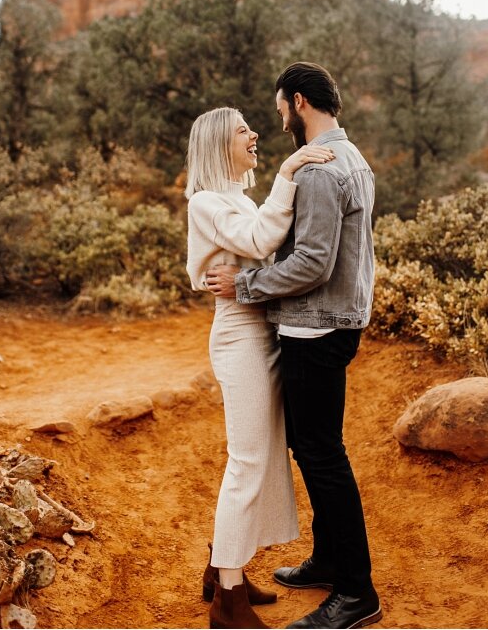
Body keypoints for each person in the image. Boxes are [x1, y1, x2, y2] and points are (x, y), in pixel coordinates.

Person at [205, 62, 381, 630]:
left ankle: (356, 593)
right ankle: (331, 560)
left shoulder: (321, 171)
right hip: (331, 322)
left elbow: (312, 263)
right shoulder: (351, 158)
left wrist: (245, 284)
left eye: (280, 105)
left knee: (323, 455)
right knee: (312, 448)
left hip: (316, 327)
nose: (277, 116)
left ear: (299, 101)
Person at [186, 107, 336, 629]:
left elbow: (260, 247)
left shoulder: (237, 198)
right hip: (239, 335)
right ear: (217, 146)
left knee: (259, 457)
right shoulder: (206, 202)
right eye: (242, 131)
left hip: (261, 333)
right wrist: (289, 172)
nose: (254, 136)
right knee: (247, 462)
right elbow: (256, 243)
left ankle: (224, 566)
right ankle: (228, 601)